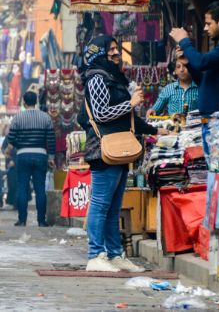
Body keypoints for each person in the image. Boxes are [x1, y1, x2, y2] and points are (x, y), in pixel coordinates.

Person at [78, 35, 168, 272]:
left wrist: (157, 130)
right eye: (111, 50)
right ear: (99, 53)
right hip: (102, 150)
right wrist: (130, 102)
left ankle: (114, 254)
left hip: (118, 149)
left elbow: (129, 120)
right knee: (100, 205)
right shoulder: (96, 77)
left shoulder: (113, 78)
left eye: (117, 49)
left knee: (113, 207)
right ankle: (95, 255)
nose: (117, 54)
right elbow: (100, 114)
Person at [170, 0, 219, 156]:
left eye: (208, 23)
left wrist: (184, 41)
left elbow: (202, 62)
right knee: (215, 172)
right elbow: (203, 80)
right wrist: (189, 63)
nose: (205, 28)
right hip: (213, 123)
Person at [6, 91, 56, 227]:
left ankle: (22, 220)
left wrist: (19, 145)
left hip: (22, 155)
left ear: (24, 102)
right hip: (41, 155)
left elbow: (11, 139)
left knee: (22, 187)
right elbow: (51, 140)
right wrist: (51, 157)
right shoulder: (46, 118)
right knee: (40, 189)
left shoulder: (17, 118)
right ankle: (41, 220)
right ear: (36, 102)